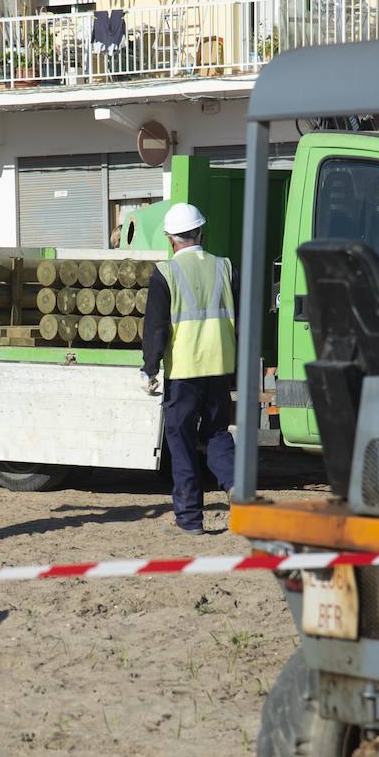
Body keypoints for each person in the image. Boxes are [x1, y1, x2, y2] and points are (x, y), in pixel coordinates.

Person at [140, 202, 237, 536]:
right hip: (220, 366)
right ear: (201, 232)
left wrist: (148, 368)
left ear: (170, 239)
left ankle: (190, 518)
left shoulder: (165, 273)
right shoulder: (225, 267)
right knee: (217, 433)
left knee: (180, 442)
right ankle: (235, 485)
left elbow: (156, 328)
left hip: (183, 371)